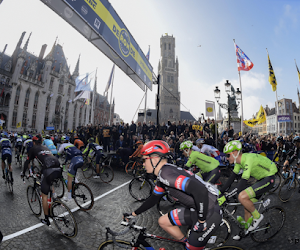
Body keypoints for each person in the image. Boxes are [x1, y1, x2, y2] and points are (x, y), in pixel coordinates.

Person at [124, 140, 221, 250]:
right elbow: (154, 198)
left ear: (155, 159)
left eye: (144, 159)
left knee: (192, 248)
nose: (143, 163)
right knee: (163, 221)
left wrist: (202, 221)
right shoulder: (164, 173)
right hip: (196, 210)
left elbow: (201, 190)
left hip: (210, 213)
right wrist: (133, 214)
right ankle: (187, 243)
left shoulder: (166, 175)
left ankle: (191, 246)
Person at [218, 140, 277, 240]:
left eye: (228, 155)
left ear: (235, 153)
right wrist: (220, 192)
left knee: (242, 196)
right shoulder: (238, 162)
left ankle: (258, 217)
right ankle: (246, 230)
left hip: (269, 178)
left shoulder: (248, 159)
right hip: (261, 180)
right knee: (246, 205)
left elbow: (241, 185)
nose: (227, 158)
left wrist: (226, 197)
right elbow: (231, 179)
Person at [21, 135, 62, 226]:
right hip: (58, 167)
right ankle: (54, 197)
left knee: (44, 195)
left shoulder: (33, 148)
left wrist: (23, 173)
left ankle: (46, 219)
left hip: (48, 169)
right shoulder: (45, 147)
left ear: (34, 142)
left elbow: (27, 162)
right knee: (49, 181)